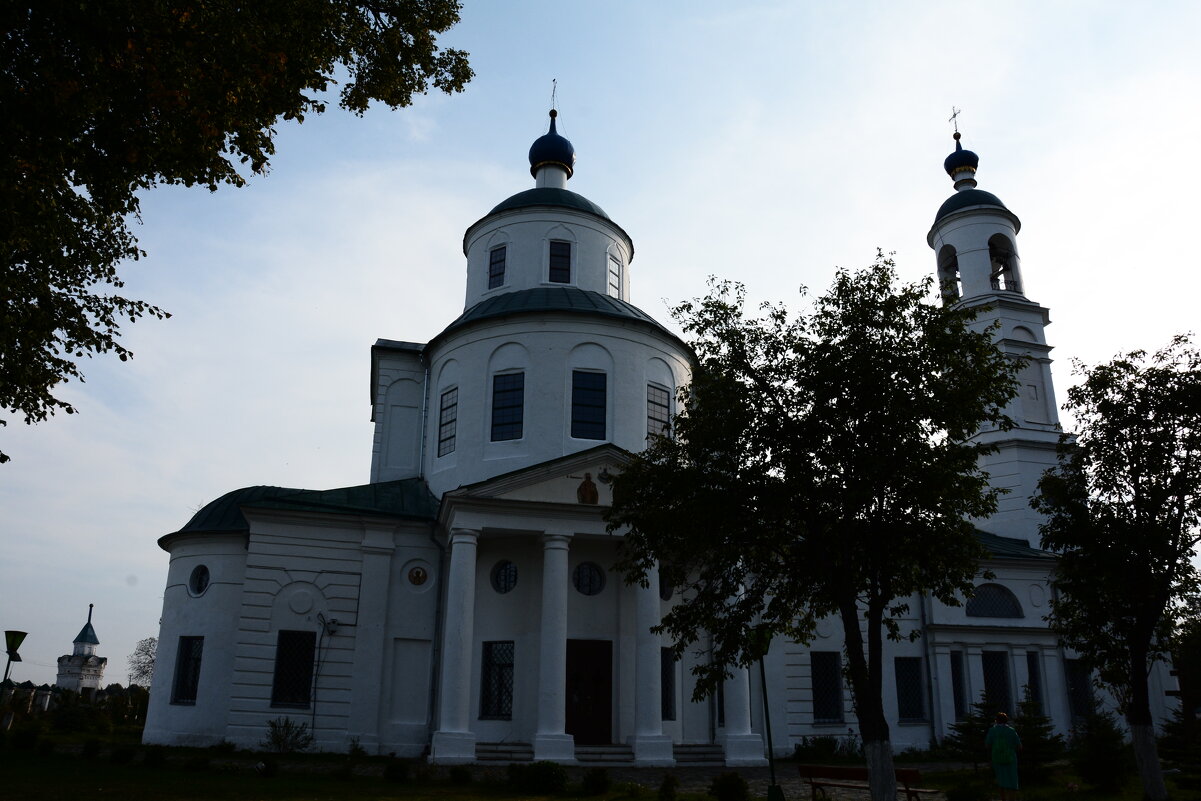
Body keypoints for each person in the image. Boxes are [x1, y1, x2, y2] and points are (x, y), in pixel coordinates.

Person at [985, 711, 1022, 800]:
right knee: (1012, 781)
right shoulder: (1011, 731)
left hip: (997, 759)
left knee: (1001, 781)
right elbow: (1019, 746)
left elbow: (987, 745)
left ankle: (1003, 799)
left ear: (996, 720)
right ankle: (1012, 799)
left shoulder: (992, 730)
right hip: (1011, 759)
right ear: (1006, 720)